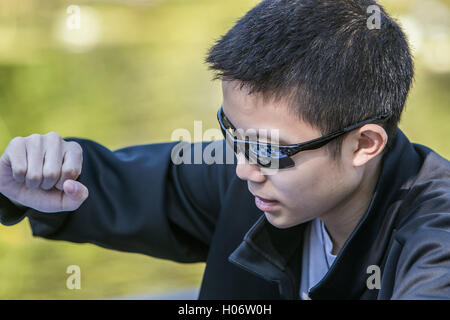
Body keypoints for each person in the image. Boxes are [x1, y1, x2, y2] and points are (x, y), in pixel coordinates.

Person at [0, 0, 449, 300]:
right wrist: (28, 177)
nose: (242, 168)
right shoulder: (254, 180)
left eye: (267, 149)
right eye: (230, 133)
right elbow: (115, 185)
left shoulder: (435, 239)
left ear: (364, 145)